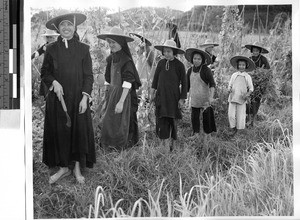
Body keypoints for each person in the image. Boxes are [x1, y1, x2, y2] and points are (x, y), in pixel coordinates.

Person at [41, 13, 95, 184]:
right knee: (61, 132)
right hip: (58, 100)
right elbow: (45, 73)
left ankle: (77, 167)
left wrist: (85, 98)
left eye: (69, 25)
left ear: (74, 27)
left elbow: (89, 76)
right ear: (58, 28)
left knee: (78, 131)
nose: (66, 28)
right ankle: (63, 167)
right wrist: (54, 82)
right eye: (62, 25)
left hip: (78, 99)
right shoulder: (51, 49)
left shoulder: (83, 49)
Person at [97, 26, 142, 150]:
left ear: (121, 43)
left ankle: (121, 147)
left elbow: (128, 82)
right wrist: (106, 94)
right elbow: (108, 78)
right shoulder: (111, 58)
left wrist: (121, 102)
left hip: (123, 94)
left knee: (122, 122)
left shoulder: (126, 60)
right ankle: (108, 145)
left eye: (114, 42)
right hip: (112, 93)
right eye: (109, 42)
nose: (111, 44)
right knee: (108, 120)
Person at [151, 39, 187, 151]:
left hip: (173, 98)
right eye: (164, 51)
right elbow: (155, 79)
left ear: (174, 52)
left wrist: (182, 98)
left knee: (173, 120)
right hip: (161, 96)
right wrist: (152, 93)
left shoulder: (179, 65)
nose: (166, 53)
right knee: (161, 119)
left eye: (169, 51)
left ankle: (173, 143)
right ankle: (165, 145)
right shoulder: (161, 63)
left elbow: (185, 83)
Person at [185, 48, 216, 137]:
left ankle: (208, 133)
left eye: (199, 59)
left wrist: (211, 97)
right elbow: (186, 86)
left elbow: (212, 84)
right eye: (195, 58)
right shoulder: (189, 70)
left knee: (207, 116)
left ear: (202, 60)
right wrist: (184, 97)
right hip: (194, 98)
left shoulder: (206, 70)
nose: (196, 61)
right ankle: (196, 133)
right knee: (194, 116)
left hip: (205, 98)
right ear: (192, 59)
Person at [244, 42, 271, 126]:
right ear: (251, 51)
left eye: (257, 51)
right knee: (248, 100)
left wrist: (261, 75)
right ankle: (248, 118)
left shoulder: (263, 59)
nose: (255, 52)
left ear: (259, 51)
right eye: (254, 50)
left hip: (259, 84)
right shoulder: (249, 59)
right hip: (249, 82)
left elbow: (268, 71)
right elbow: (245, 70)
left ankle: (254, 119)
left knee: (256, 100)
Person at [227, 56, 255, 136]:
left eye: (243, 65)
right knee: (231, 114)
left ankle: (238, 131)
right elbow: (230, 85)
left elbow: (251, 88)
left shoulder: (247, 76)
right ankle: (233, 128)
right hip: (233, 96)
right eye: (240, 65)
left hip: (242, 97)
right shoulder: (234, 75)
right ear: (237, 65)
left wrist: (247, 94)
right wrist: (229, 89)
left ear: (246, 66)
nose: (241, 66)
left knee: (240, 115)